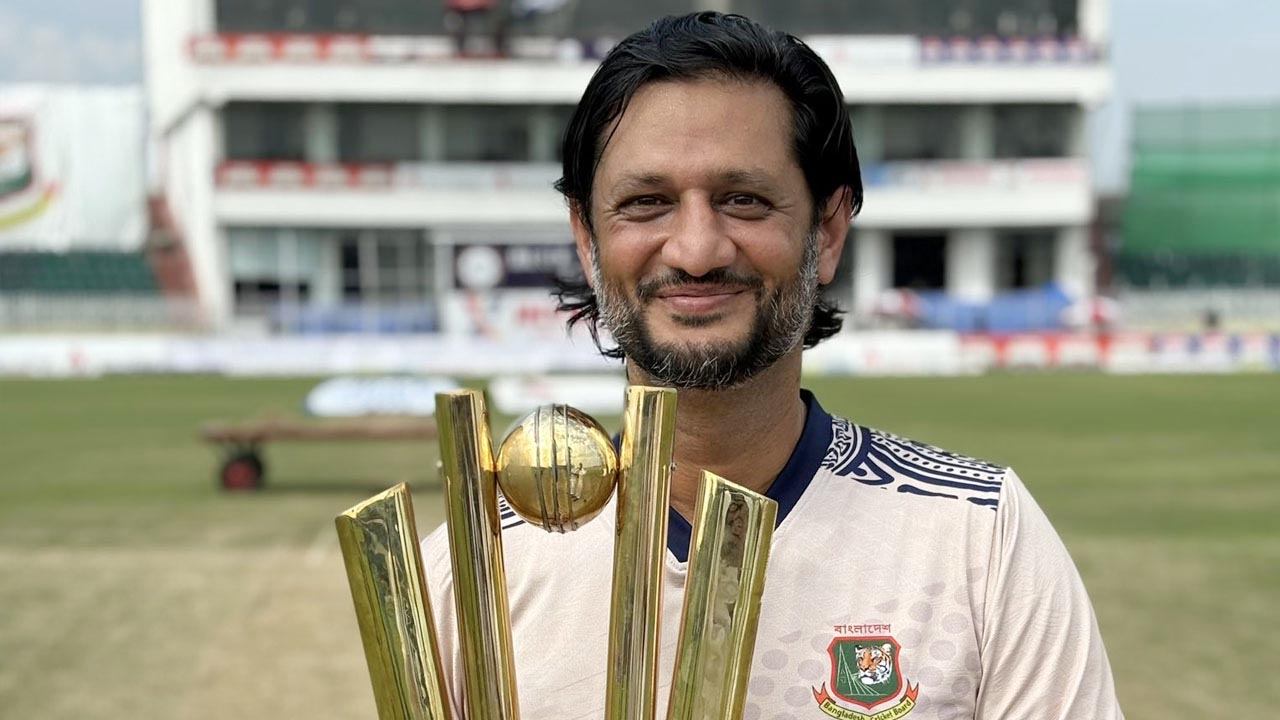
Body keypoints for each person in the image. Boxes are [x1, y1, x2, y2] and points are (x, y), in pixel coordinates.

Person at [422, 12, 1124, 719]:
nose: (697, 251)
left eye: (744, 201)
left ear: (828, 231)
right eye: (646, 203)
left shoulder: (978, 538)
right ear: (587, 238)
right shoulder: (472, 570)